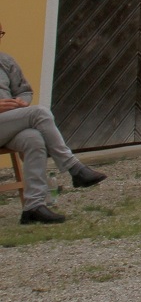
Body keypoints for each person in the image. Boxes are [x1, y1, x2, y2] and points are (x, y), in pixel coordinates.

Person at [0, 23, 107, 224]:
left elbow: (24, 90)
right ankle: (73, 167)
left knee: (34, 139)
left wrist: (23, 102)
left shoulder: (5, 62)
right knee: (40, 113)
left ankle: (33, 206)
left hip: (7, 123)